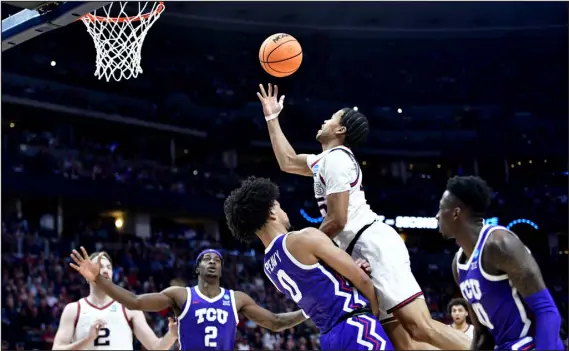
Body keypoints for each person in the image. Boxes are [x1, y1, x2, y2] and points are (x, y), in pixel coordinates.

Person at [257, 83, 470, 350]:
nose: (324, 120)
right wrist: (272, 118)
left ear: (340, 130)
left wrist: (305, 248)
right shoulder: (326, 160)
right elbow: (287, 161)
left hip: (372, 244)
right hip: (359, 248)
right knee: (404, 343)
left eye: (331, 118)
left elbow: (338, 219)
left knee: (420, 327)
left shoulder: (336, 159)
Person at [223, 176, 394, 350]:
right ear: (272, 213)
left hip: (329, 339)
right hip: (356, 327)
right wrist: (377, 316)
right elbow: (362, 280)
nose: (285, 212)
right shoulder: (302, 238)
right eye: (280, 207)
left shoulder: (269, 266)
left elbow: (319, 284)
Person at [69, 247, 307, 350]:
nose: (212, 261)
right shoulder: (181, 295)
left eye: (217, 260)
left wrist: (309, 311)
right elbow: (135, 301)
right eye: (207, 259)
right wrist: (99, 280)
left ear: (222, 270)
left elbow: (275, 321)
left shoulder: (237, 299)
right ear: (197, 268)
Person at [437, 175, 565, 350]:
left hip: (533, 344)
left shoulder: (499, 244)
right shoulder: (458, 265)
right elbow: (483, 334)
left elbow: (547, 311)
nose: (437, 216)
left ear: (456, 213)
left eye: (440, 208)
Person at [52, 251, 178, 350]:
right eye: (99, 266)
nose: (105, 270)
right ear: (86, 273)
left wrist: (172, 334)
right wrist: (87, 339)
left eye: (108, 267)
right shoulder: (74, 309)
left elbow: (156, 347)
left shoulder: (128, 308)